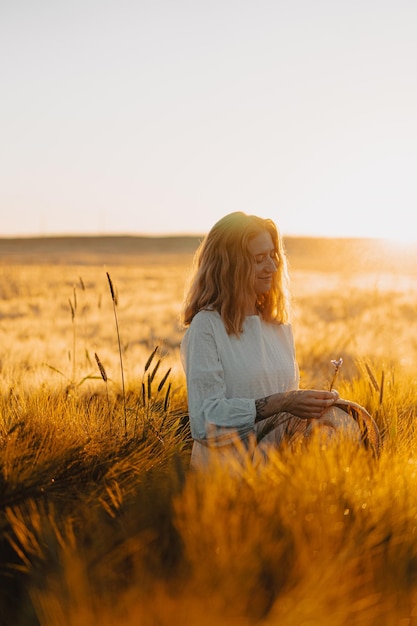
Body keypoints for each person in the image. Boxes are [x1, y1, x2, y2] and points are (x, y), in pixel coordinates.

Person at [180, 211, 379, 470]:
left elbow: (283, 413)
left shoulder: (278, 326)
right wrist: (283, 401)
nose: (272, 267)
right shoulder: (206, 327)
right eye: (258, 259)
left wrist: (314, 408)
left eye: (273, 256)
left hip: (274, 479)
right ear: (228, 265)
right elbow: (205, 422)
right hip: (223, 482)